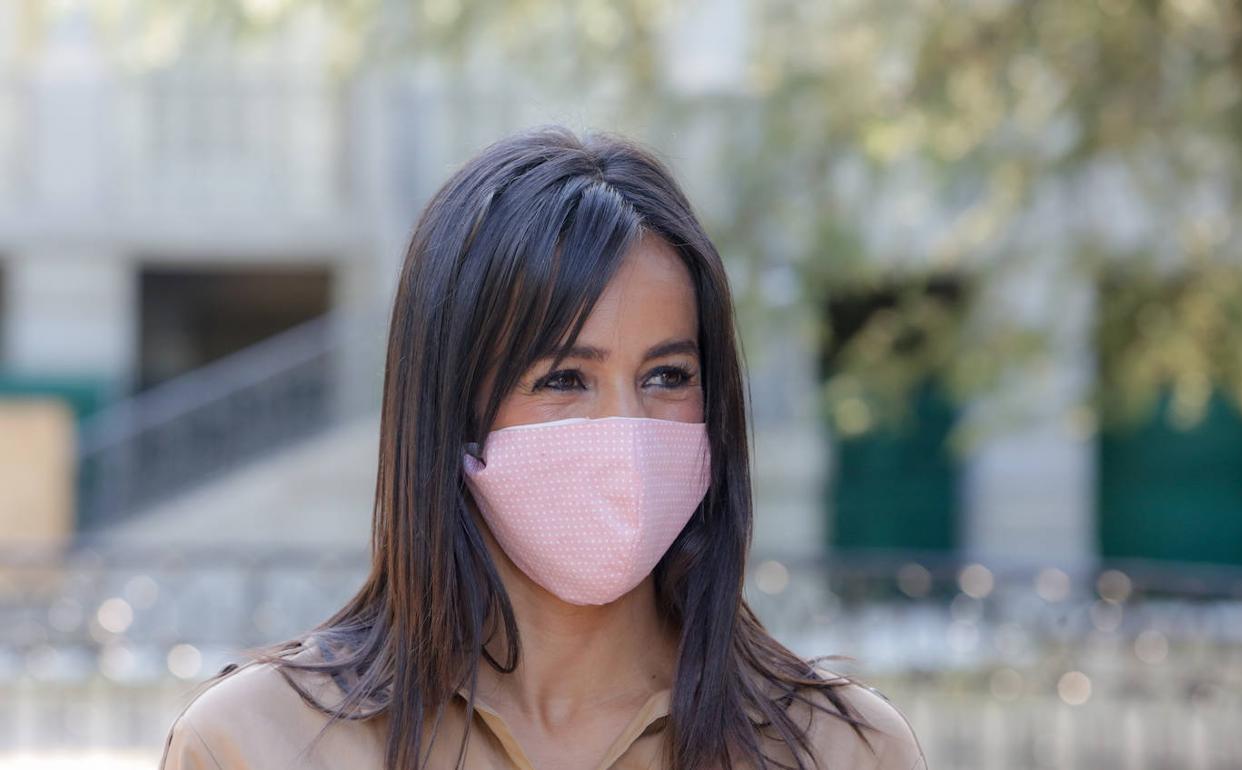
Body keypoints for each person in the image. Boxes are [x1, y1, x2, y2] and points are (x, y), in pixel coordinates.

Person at [159, 125, 928, 770]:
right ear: (454, 408)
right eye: (564, 377)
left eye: (667, 375)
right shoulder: (255, 744)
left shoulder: (843, 750)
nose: (626, 431)